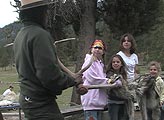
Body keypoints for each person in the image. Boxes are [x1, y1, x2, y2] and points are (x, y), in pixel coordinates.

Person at [13, 0, 87, 120]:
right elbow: (49, 76)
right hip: (40, 104)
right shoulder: (40, 35)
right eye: (45, 11)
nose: (47, 15)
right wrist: (72, 80)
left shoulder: (20, 35)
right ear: (38, 12)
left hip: (28, 100)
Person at [81, 39, 108, 120]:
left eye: (100, 48)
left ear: (103, 52)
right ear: (91, 49)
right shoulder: (89, 61)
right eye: (95, 47)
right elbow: (93, 79)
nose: (97, 50)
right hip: (91, 103)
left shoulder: (100, 64)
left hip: (99, 103)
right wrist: (110, 82)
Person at [106, 54, 134, 120]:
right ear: (111, 64)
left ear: (121, 64)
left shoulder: (123, 74)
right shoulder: (109, 74)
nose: (116, 63)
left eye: (118, 62)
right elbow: (110, 84)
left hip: (124, 102)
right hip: (113, 102)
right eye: (114, 62)